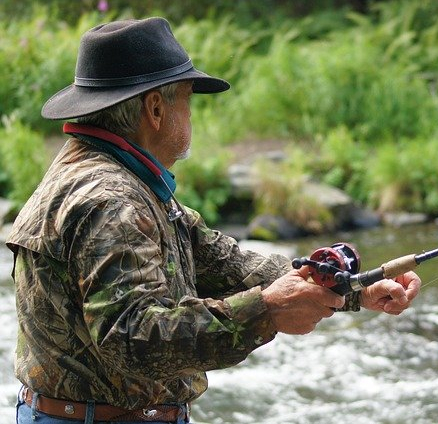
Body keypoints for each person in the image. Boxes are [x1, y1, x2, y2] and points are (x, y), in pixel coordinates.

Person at [7, 17, 421, 424]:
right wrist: (267, 312)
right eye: (187, 99)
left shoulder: (112, 175)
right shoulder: (112, 200)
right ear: (155, 109)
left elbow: (225, 264)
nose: (191, 115)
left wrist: (354, 289)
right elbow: (133, 339)